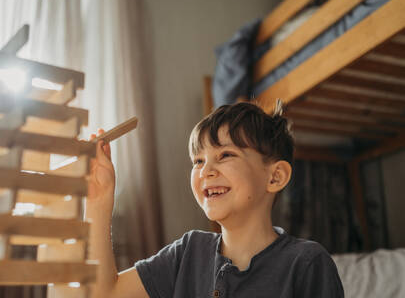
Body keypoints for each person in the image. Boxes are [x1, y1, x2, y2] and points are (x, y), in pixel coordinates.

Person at [85, 101, 344, 298]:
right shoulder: (187, 252)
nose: (205, 171)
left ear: (275, 177)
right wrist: (98, 201)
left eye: (225, 155)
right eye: (198, 161)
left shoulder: (307, 262)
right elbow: (104, 293)